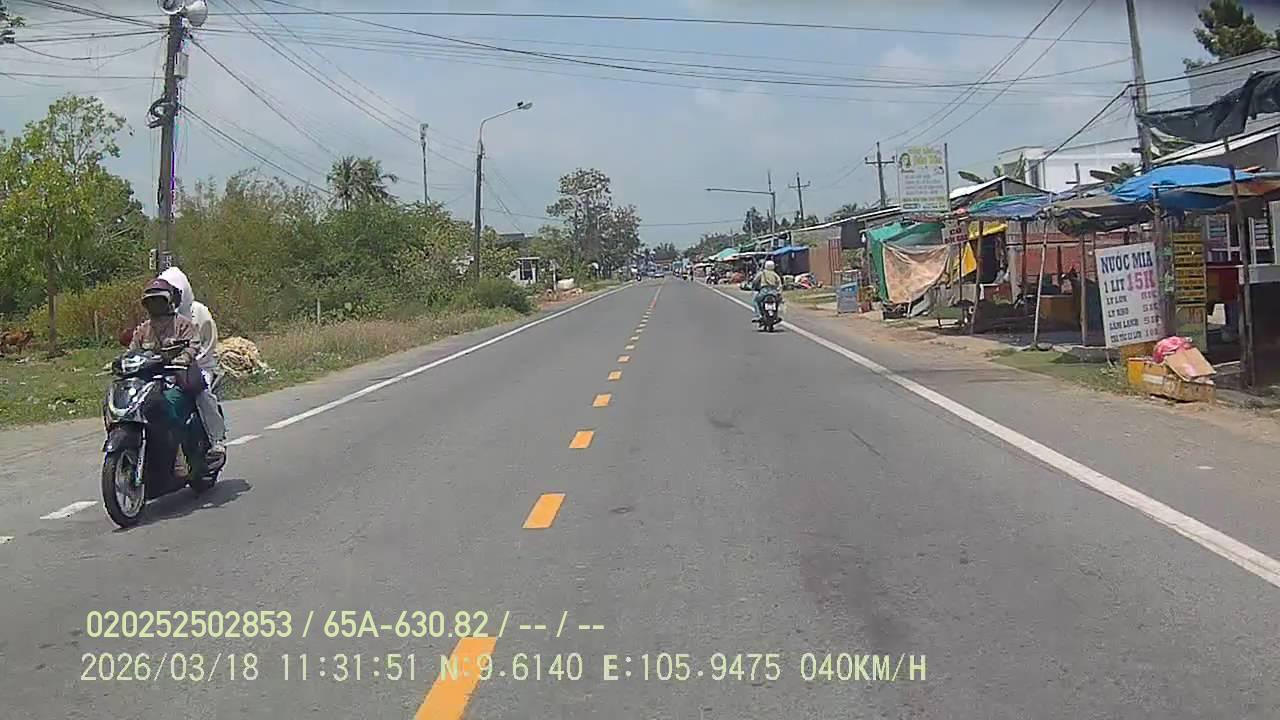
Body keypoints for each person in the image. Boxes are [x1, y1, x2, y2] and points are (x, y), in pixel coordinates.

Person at [158, 267, 227, 461]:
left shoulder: (199, 312)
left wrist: (189, 362)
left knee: (202, 393)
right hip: (166, 370)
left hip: (199, 367)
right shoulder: (158, 316)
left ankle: (217, 440)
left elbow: (208, 344)